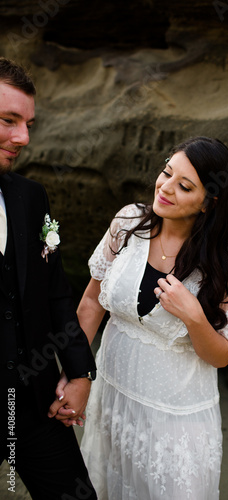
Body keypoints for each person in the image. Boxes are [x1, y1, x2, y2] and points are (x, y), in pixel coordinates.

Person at [73, 136, 228, 499]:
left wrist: (195, 318)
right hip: (112, 399)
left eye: (184, 186)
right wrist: (75, 375)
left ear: (208, 203)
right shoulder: (128, 223)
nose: (165, 188)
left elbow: (222, 355)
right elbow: (91, 303)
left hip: (174, 418)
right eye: (166, 172)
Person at [0, 57, 97, 499]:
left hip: (33, 403)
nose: (23, 138)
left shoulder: (31, 196)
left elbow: (56, 293)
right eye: (8, 120)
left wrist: (79, 374)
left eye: (28, 123)